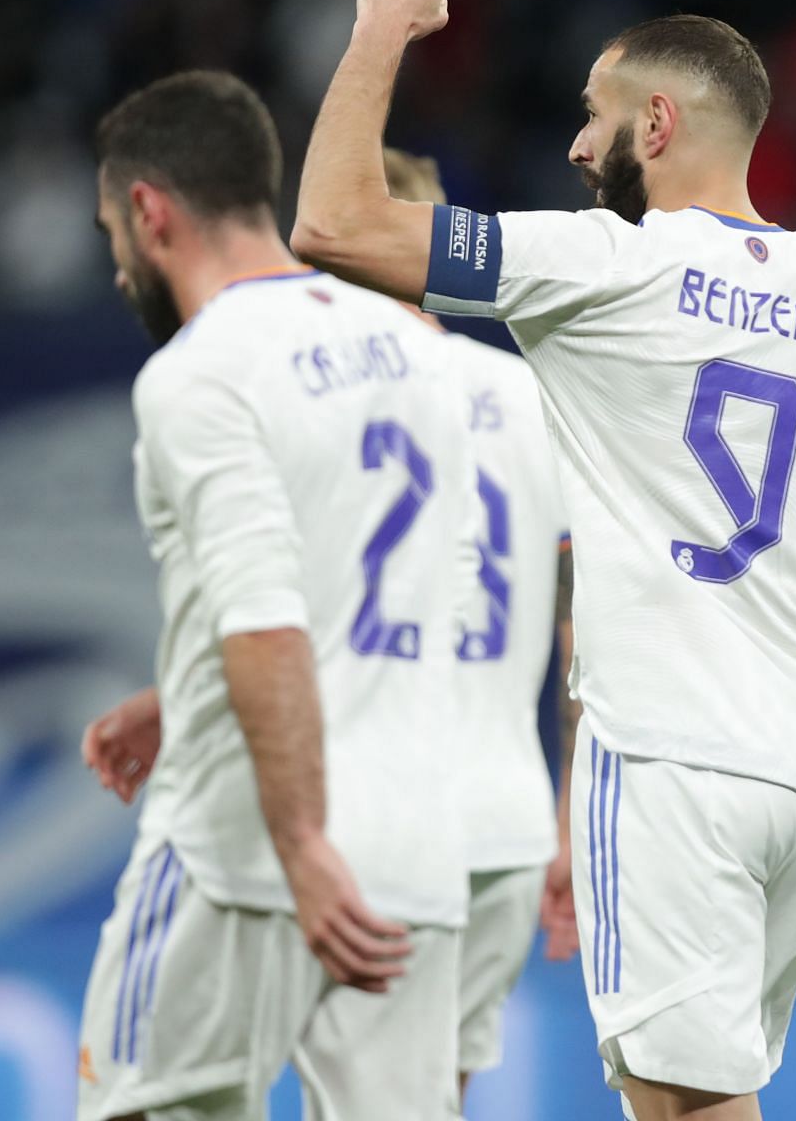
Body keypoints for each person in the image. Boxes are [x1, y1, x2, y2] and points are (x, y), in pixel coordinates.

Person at [288, 0, 796, 1121]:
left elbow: (331, 223)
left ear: (656, 122)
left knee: (688, 1111)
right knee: (711, 1099)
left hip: (674, 754)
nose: (572, 147)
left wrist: (379, 29)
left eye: (592, 116)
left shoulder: (605, 264)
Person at [82, 147, 583, 1117]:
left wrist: (185, 705)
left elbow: (295, 607)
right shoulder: (528, 394)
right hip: (494, 822)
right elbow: (575, 623)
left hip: (341, 803)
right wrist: (572, 814)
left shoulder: (305, 384)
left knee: (168, 1091)